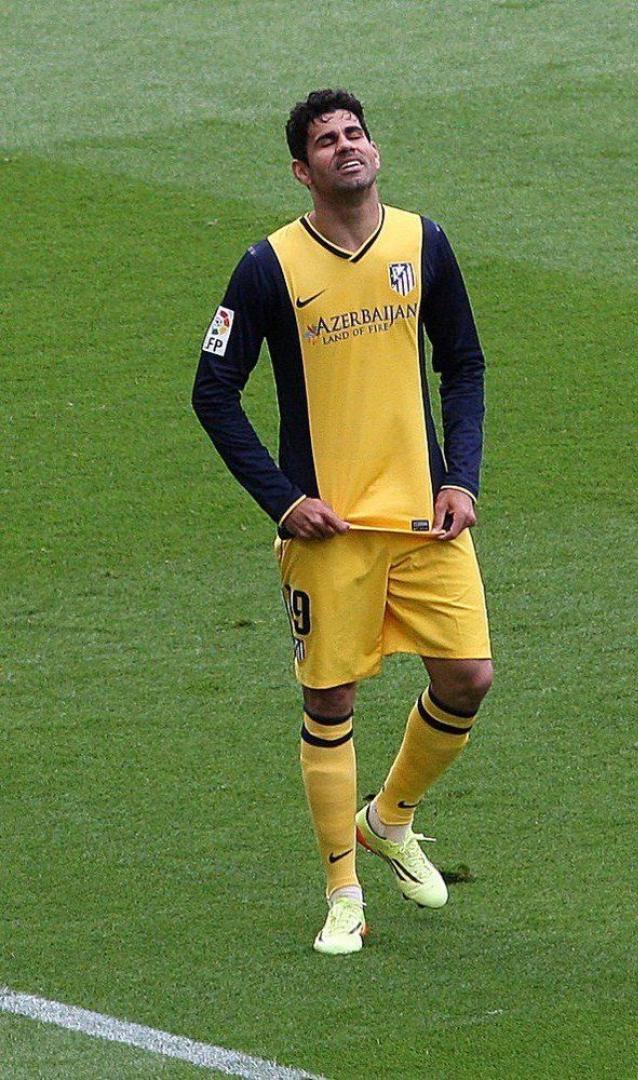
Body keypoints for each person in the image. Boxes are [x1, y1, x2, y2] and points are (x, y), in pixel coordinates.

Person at [192, 88, 493, 955]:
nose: (345, 147)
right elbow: (212, 390)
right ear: (302, 169)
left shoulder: (422, 242)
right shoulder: (268, 266)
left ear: (375, 151)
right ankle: (343, 896)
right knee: (331, 700)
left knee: (468, 678)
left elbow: (464, 363)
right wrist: (284, 499)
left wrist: (461, 478)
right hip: (328, 531)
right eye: (326, 141)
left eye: (355, 134)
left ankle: (389, 818)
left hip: (426, 520)